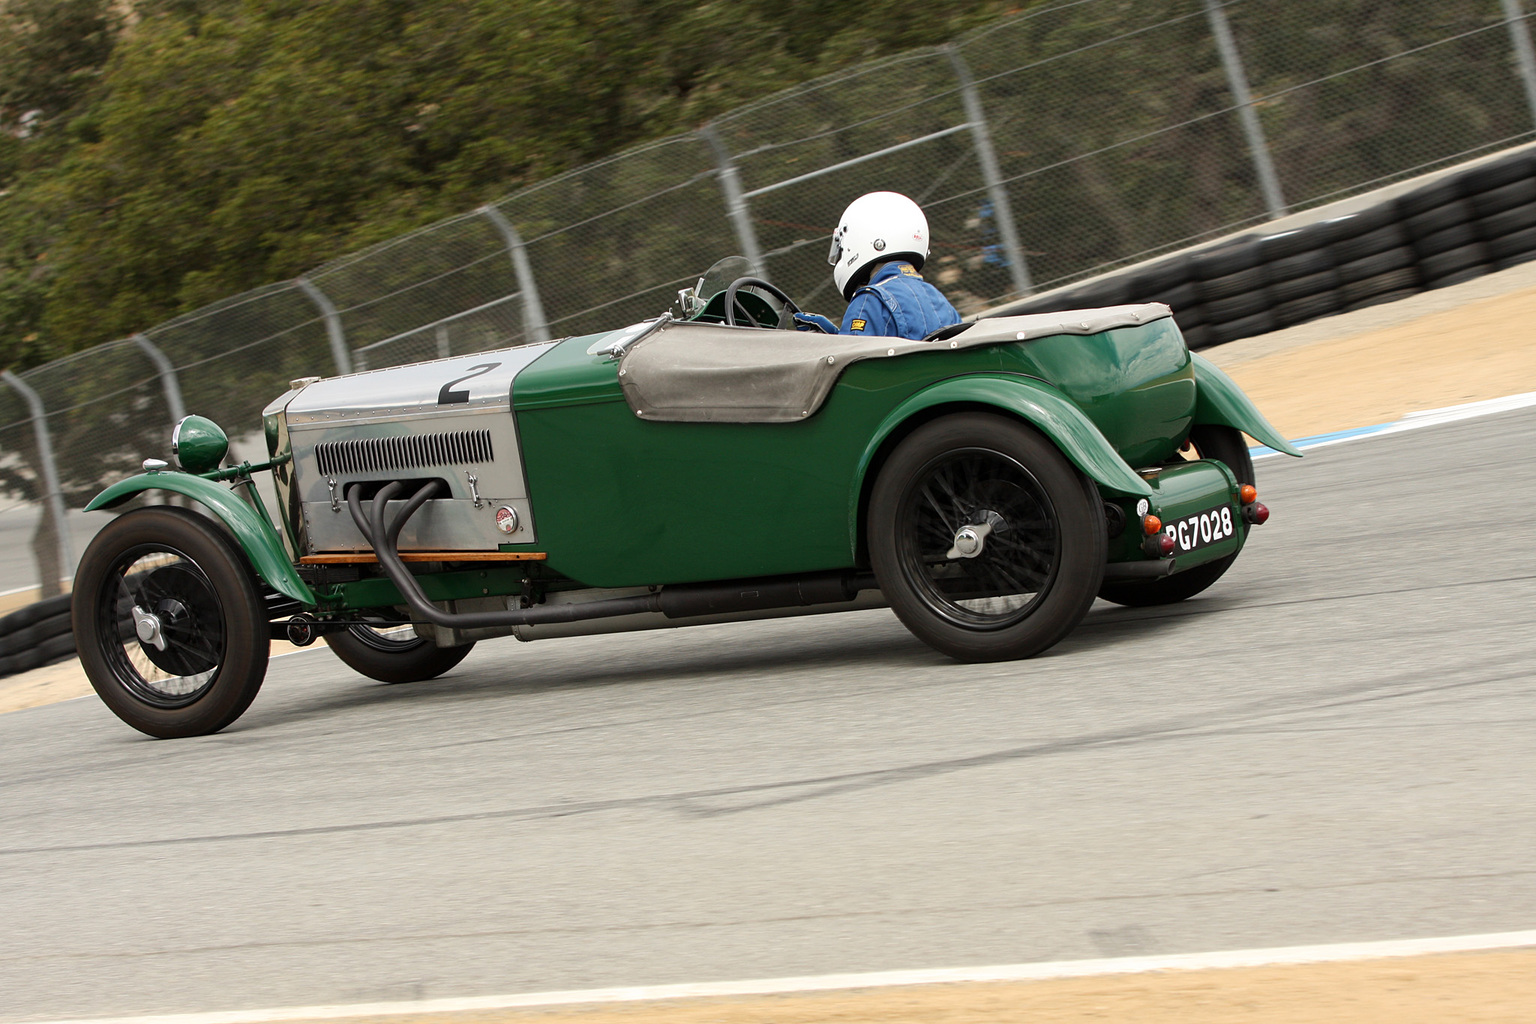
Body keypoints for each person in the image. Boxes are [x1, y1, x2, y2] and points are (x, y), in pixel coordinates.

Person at [794, 191, 962, 340]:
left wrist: (824, 348)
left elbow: (853, 365)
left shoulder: (871, 300)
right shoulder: (938, 299)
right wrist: (837, 338)